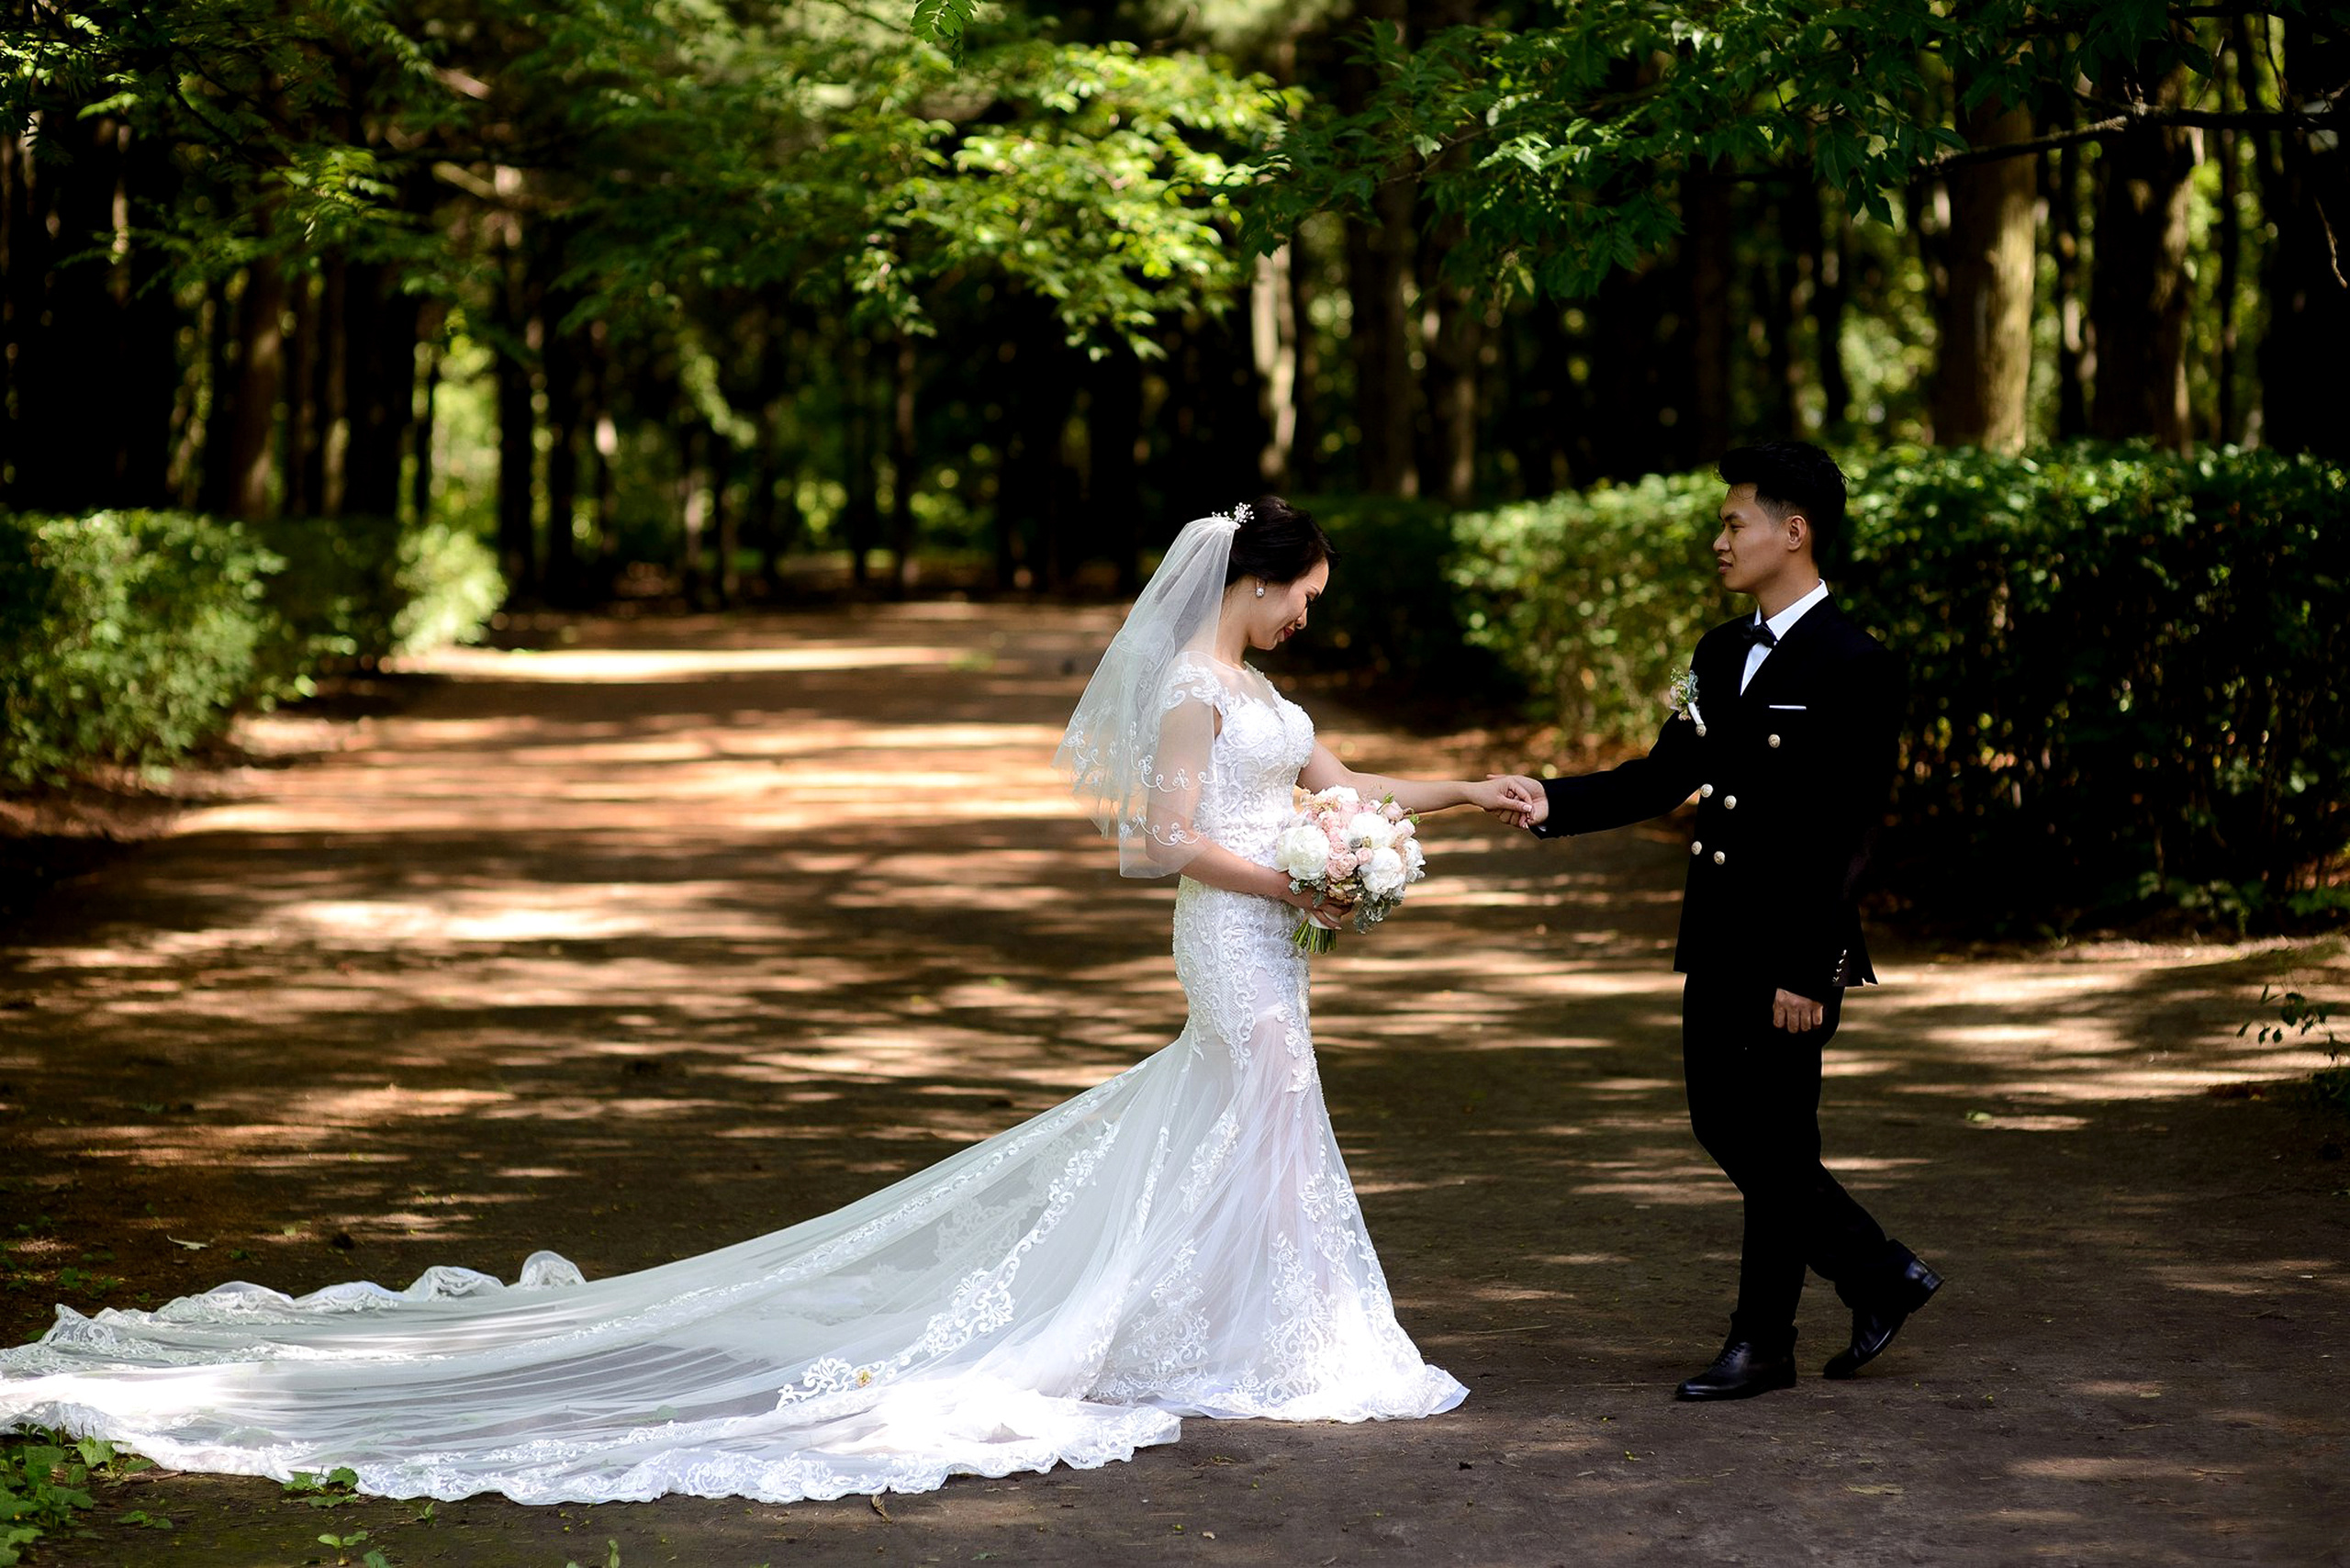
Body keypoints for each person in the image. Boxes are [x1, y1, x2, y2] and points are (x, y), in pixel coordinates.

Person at [0, 497, 1516, 1504]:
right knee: (1262, 1106)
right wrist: (1298, 887)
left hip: (1272, 928)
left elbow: (1341, 781)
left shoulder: (1261, 692)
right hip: (1232, 933)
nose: (1309, 618)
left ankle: (1257, 1328)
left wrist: (1453, 801)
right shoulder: (1190, 686)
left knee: (1254, 1119)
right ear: (1253, 583)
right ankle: (1252, 1335)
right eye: (1304, 597)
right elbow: (1168, 841)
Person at [1489, 442, 1942, 1401]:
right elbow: (1665, 774)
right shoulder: (1719, 651)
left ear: (1795, 531)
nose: (1719, 541)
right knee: (1724, 1124)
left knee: (1774, 1138)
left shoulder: (1857, 663)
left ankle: (1763, 1340)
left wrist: (1808, 968)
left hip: (1792, 947)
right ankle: (1878, 1274)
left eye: (1735, 523)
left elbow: (1851, 833)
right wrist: (1551, 801)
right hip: (1719, 933)